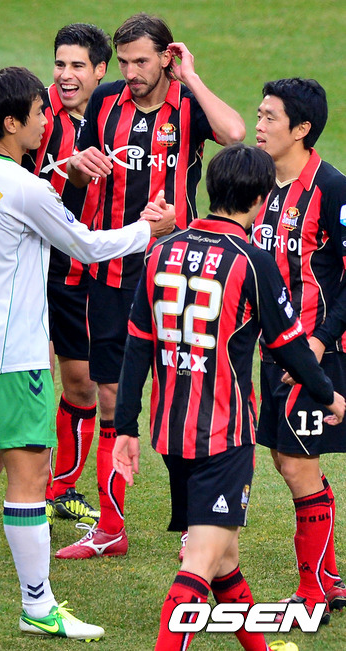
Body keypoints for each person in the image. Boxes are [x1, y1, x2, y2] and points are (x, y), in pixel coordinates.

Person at [0, 66, 174, 641]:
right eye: (40, 112)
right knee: (28, 475)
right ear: (12, 121)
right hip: (13, 360)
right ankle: (38, 606)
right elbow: (87, 247)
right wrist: (150, 229)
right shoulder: (27, 188)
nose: (48, 120)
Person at [111, 143, 345, 650]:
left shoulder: (161, 252)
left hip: (170, 435)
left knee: (224, 560)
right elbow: (290, 347)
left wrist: (125, 427)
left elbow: (136, 347)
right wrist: (329, 395)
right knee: (201, 561)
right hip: (223, 437)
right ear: (260, 200)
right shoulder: (253, 262)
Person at [56, 11, 246, 560]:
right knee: (112, 394)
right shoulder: (105, 101)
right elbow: (78, 171)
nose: (131, 73)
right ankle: (111, 527)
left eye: (142, 61)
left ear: (167, 57)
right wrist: (79, 164)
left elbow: (235, 135)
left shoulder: (188, 103)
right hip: (113, 270)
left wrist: (193, 77)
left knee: (183, 400)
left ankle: (192, 524)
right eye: (124, 62)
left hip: (177, 272)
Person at [252, 78, 346, 623]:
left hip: (316, 352)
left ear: (302, 129)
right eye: (259, 115)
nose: (259, 126)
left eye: (270, 117)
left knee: (295, 464)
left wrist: (319, 340)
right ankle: (328, 579)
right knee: (291, 461)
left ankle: (312, 593)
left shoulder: (332, 189)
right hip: (275, 353)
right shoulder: (259, 182)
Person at [24, 23, 112, 528]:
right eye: (60, 64)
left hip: (89, 269)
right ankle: (29, 485)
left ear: (100, 70)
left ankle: (62, 488)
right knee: (38, 377)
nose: (65, 75)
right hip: (40, 268)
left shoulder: (118, 118)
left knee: (82, 383)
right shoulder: (36, 116)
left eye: (78, 65)